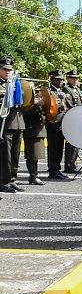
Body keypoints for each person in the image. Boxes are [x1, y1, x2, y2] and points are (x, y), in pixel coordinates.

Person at [0, 58, 25, 193]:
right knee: (5, 155)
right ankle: (3, 181)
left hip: (17, 122)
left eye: (9, 70)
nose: (7, 72)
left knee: (15, 153)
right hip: (4, 124)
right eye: (4, 69)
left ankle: (12, 179)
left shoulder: (15, 83)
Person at [46, 70, 69, 180]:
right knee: (53, 147)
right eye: (58, 79)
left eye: (61, 79)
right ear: (52, 79)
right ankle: (53, 169)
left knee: (60, 147)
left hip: (61, 123)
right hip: (53, 123)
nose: (60, 81)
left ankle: (57, 169)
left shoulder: (61, 92)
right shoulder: (49, 92)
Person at [62, 69, 82, 174]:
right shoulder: (66, 89)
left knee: (76, 143)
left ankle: (73, 163)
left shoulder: (77, 89)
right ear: (68, 78)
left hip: (78, 118)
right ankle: (69, 165)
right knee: (71, 143)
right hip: (71, 118)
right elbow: (70, 105)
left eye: (76, 78)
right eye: (72, 78)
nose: (75, 80)